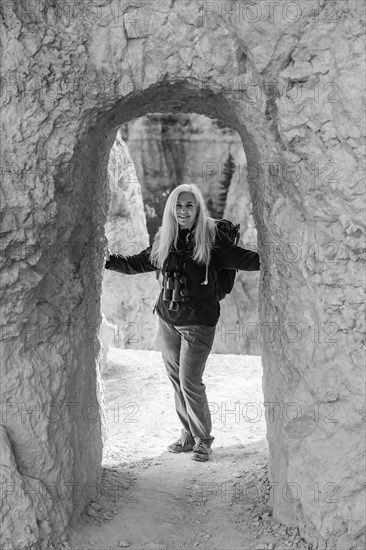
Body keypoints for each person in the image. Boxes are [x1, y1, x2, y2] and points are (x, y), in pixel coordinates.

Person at [104, 183, 260, 462]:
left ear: (198, 208)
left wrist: (281, 254)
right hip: (168, 319)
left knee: (190, 382)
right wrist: (105, 260)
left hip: (199, 323)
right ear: (171, 209)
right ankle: (188, 435)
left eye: (189, 205)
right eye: (178, 205)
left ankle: (203, 440)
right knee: (177, 380)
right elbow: (136, 263)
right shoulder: (168, 239)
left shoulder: (212, 241)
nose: (183, 210)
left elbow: (248, 260)